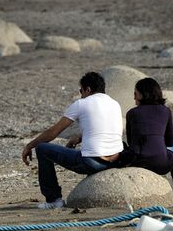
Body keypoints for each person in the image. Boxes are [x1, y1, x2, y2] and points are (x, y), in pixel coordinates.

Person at [21, 72, 124, 209]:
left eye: (81, 90)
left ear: (88, 89)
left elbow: (53, 132)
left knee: (42, 148)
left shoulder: (81, 104)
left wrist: (30, 145)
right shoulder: (115, 103)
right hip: (116, 161)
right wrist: (79, 138)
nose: (81, 94)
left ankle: (53, 200)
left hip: (93, 162)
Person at [124, 77, 173, 202]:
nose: (134, 97)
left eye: (135, 93)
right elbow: (170, 142)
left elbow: (131, 143)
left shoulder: (132, 113)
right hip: (161, 163)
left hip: (136, 162)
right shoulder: (166, 111)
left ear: (142, 94)